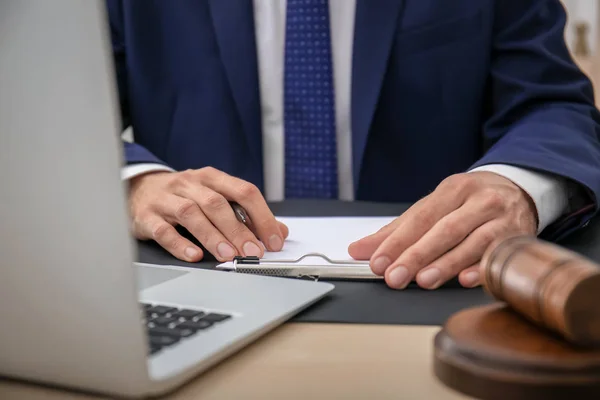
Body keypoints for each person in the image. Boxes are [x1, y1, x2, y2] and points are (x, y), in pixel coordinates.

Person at [106, 0, 600, 290]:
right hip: (195, 280)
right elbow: (52, 110)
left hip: (431, 287)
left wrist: (517, 186)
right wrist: (132, 181)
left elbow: (551, 104)